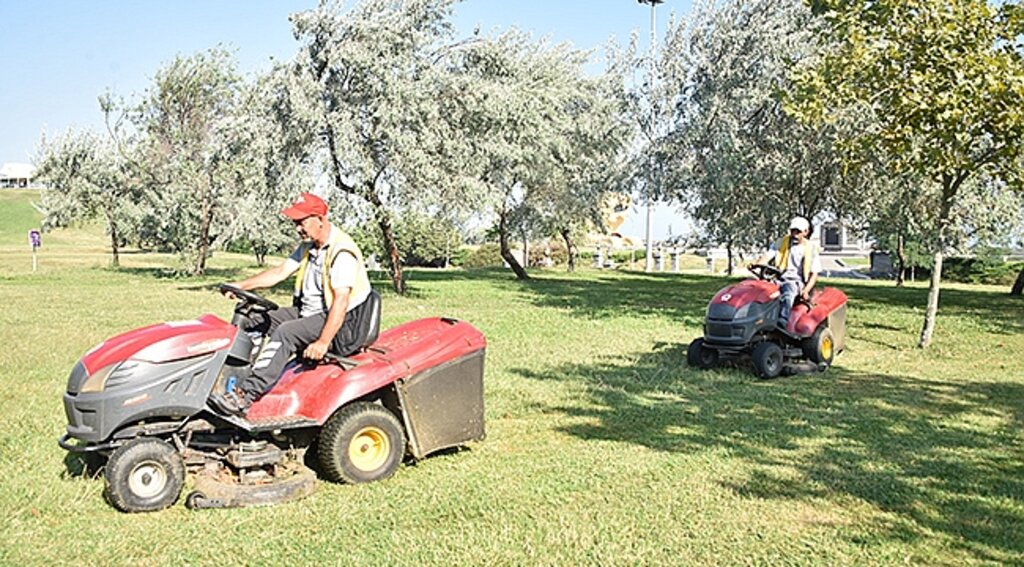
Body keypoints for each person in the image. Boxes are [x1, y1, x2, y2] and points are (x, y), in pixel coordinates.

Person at [210, 192, 373, 416]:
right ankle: (230, 377)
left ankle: (245, 395)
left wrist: (323, 342)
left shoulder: (341, 251)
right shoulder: (309, 245)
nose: (298, 228)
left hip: (341, 323)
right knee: (250, 316)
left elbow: (341, 302)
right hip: (310, 312)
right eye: (295, 223)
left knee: (287, 332)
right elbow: (280, 272)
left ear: (320, 219)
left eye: (302, 222)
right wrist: (242, 286)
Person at [749, 216, 822, 328]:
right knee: (755, 288)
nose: (794, 234)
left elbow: (814, 274)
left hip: (797, 281)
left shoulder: (811, 249)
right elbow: (767, 256)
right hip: (778, 277)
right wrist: (757, 264)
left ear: (806, 232)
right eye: (793, 231)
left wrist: (806, 290)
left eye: (798, 232)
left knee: (788, 292)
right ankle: (754, 317)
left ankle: (783, 320)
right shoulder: (781, 243)